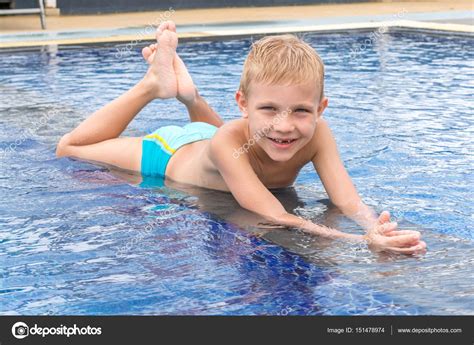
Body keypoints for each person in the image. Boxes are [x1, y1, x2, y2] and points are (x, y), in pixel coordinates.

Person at [56, 21, 426, 254]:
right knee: (70, 148)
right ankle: (153, 85)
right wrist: (361, 243)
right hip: (170, 153)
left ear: (321, 109)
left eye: (301, 111)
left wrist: (373, 225)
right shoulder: (226, 142)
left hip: (222, 139)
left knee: (236, 137)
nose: (285, 125)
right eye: (269, 109)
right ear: (243, 104)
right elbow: (276, 215)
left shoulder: (319, 134)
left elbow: (348, 200)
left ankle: (191, 96)